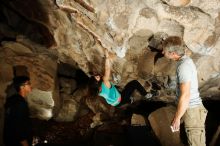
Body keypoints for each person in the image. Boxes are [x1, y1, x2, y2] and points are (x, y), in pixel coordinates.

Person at [162, 36, 207, 146]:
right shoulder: (183, 60)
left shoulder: (183, 67)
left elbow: (186, 95)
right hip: (189, 109)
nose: (162, 52)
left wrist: (177, 118)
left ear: (173, 54)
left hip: (193, 112)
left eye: (165, 50)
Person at [88, 50, 158, 108]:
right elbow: (107, 69)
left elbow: (100, 80)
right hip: (120, 99)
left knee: (121, 92)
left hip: (115, 104)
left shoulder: (98, 91)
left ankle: (130, 100)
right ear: (97, 83)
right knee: (134, 83)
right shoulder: (105, 82)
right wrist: (107, 57)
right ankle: (146, 95)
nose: (98, 76)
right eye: (97, 77)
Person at [3, 76, 33, 146]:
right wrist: (24, 143)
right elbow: (18, 125)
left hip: (10, 139)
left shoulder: (13, 100)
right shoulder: (20, 103)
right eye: (28, 83)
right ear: (22, 87)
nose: (31, 85)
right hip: (18, 142)